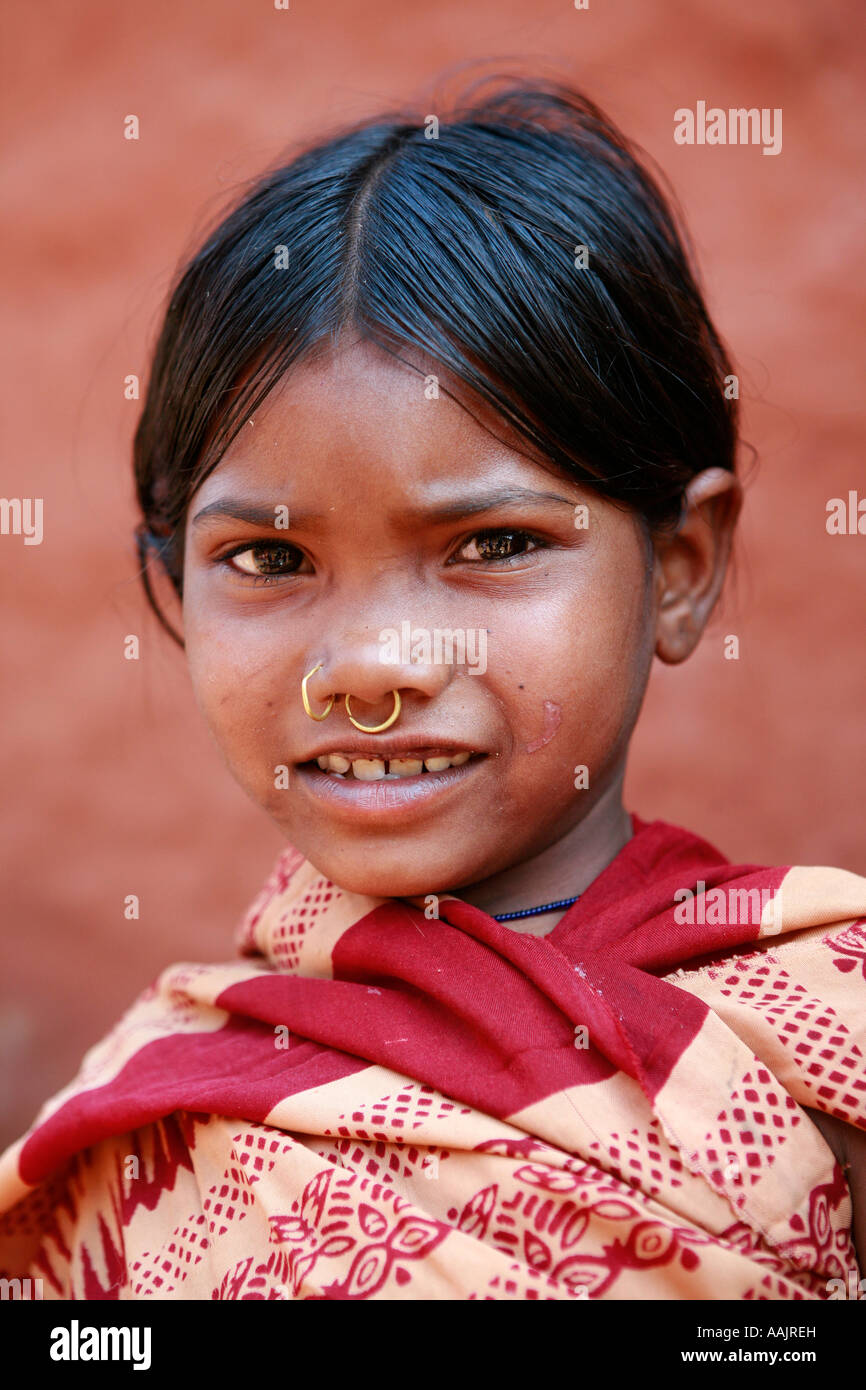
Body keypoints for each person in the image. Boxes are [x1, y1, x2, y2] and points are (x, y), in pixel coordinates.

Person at [1, 74, 864, 1301]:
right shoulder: (151, 1115)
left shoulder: (822, 1026)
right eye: (271, 559)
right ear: (175, 587)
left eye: (495, 544)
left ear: (678, 568)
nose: (370, 667)